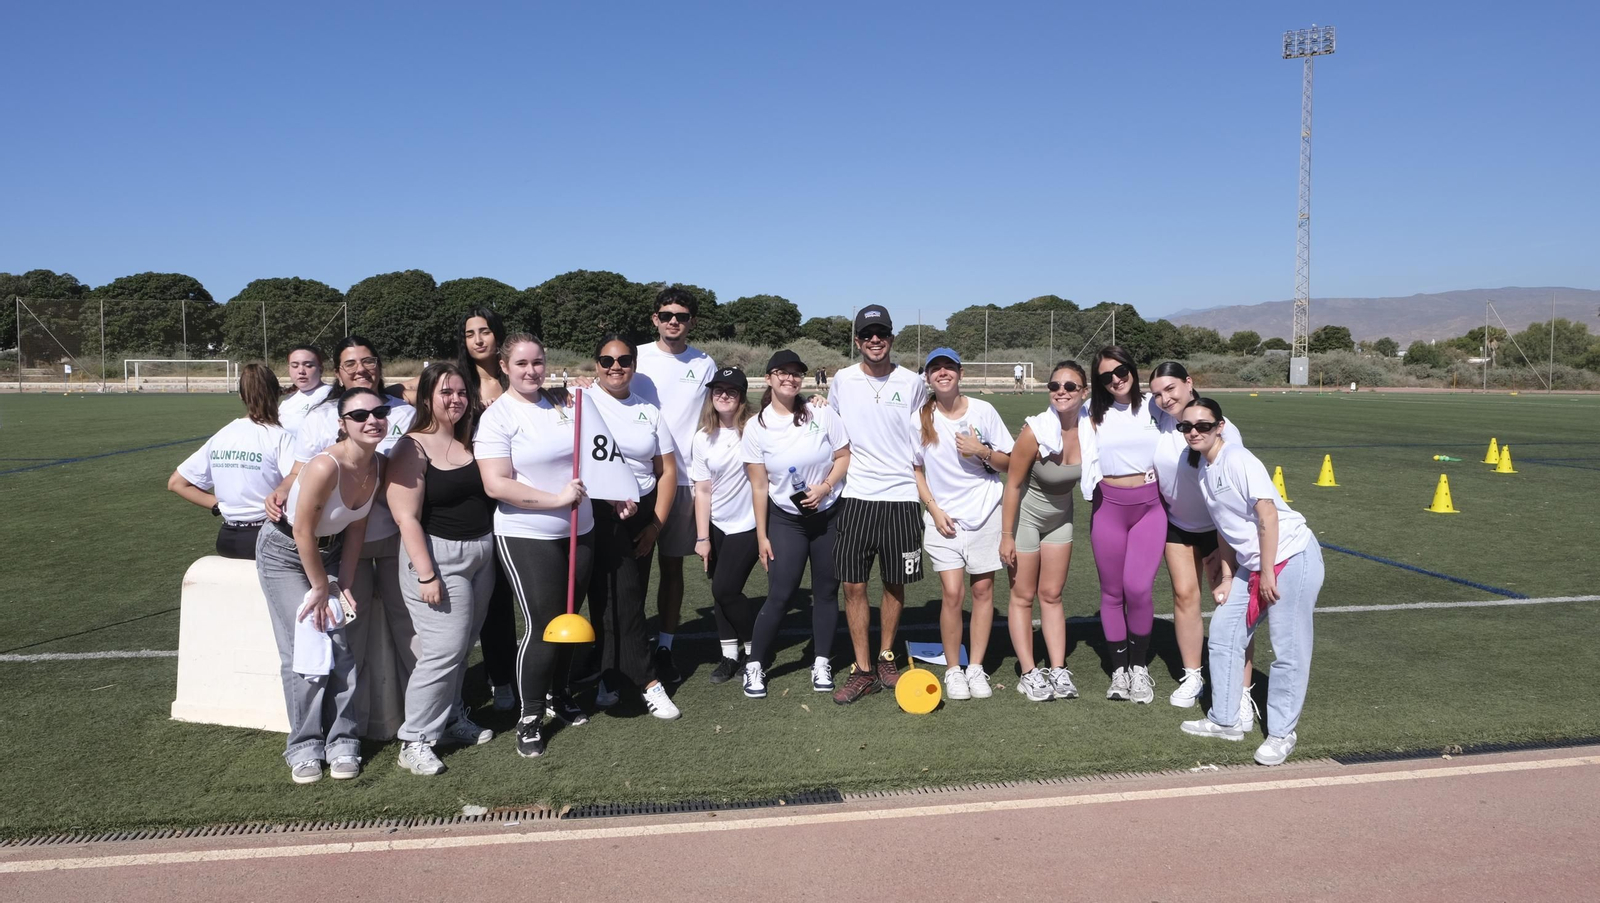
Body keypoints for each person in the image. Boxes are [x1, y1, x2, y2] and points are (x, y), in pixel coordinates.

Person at [268, 337, 419, 730]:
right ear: (338, 371)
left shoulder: (405, 412)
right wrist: (282, 490)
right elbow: (301, 470)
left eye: (368, 361)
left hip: (396, 537)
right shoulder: (321, 417)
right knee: (349, 636)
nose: (360, 369)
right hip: (343, 544)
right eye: (350, 364)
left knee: (412, 631)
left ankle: (428, 719)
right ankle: (353, 728)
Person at [1177, 397, 1323, 766]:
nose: (1193, 432)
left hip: (1291, 556)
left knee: (1288, 649)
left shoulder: (1238, 459)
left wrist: (1269, 572)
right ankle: (1225, 720)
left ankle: (1282, 733)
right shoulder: (1204, 469)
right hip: (1253, 565)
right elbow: (1225, 528)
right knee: (1224, 633)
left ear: (1220, 427)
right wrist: (1228, 576)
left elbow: (1267, 515)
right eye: (1186, 426)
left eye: (1203, 425)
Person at [254, 387, 384, 784]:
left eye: (378, 412)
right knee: (306, 645)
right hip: (285, 553)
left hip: (330, 553)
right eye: (359, 416)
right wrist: (321, 589)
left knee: (342, 647)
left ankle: (343, 741)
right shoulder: (326, 465)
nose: (372, 420)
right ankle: (305, 746)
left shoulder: (376, 464)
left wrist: (344, 583)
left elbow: (357, 526)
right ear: (343, 424)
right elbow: (302, 532)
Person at [475, 334, 593, 758]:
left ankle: (560, 694)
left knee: (569, 618)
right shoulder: (498, 417)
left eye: (538, 362)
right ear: (505, 367)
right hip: (527, 533)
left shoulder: (564, 403)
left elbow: (596, 452)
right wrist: (556, 500)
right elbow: (496, 484)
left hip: (580, 529)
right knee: (543, 624)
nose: (531, 371)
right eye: (522, 364)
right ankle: (530, 716)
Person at [386, 363, 498, 776]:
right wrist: (427, 574)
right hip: (439, 558)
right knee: (442, 652)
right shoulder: (411, 447)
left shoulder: (468, 438)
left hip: (481, 554)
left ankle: (450, 718)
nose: (455, 399)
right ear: (427, 398)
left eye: (461, 392)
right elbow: (405, 517)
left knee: (461, 648)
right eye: (446, 392)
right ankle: (414, 740)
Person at [828, 305, 927, 704]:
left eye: (881, 333)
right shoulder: (842, 380)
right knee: (853, 585)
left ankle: (886, 656)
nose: (875, 340)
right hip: (856, 495)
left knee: (893, 582)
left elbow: (924, 437)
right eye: (867, 334)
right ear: (857, 341)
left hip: (902, 497)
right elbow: (832, 430)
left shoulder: (913, 382)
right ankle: (863, 668)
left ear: (891, 338)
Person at [741, 350, 851, 699]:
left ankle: (821, 661)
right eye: (782, 372)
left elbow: (843, 456)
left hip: (829, 515)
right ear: (769, 379)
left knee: (826, 592)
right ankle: (755, 665)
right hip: (786, 521)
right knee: (780, 594)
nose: (790, 378)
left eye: (796, 373)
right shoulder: (755, 427)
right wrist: (762, 536)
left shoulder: (822, 411)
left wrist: (825, 487)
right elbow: (759, 486)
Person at [1148, 362, 1253, 723]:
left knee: (1230, 607)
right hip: (1177, 525)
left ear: (1189, 383)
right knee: (1184, 597)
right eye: (1157, 394)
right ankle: (1193, 676)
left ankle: (1241, 691)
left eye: (1171, 389)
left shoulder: (1221, 429)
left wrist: (1226, 554)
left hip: (1218, 529)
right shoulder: (1160, 419)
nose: (1165, 399)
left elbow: (1234, 488)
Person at [585, 333, 682, 720]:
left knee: (626, 596)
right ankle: (647, 680)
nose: (616, 367)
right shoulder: (580, 402)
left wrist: (655, 525)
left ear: (634, 366)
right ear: (596, 365)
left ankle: (610, 675)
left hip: (641, 514)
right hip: (599, 513)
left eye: (624, 360)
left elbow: (667, 471)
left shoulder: (648, 411)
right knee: (619, 596)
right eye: (607, 361)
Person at [911, 349, 1013, 701]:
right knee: (953, 593)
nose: (943, 373)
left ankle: (976, 668)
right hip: (943, 520)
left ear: (960, 373)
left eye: (949, 368)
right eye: (935, 369)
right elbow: (916, 469)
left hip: (985, 513)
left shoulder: (983, 411)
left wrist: (981, 450)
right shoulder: (919, 418)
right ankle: (954, 670)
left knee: (983, 592)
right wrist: (933, 508)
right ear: (928, 377)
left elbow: (1009, 463)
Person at [631, 286, 716, 683]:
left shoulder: (704, 363)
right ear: (655, 319)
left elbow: (723, 411)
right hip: (637, 479)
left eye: (681, 316)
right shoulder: (634, 357)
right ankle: (623, 648)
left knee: (671, 567)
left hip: (683, 480)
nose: (673, 322)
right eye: (666, 315)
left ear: (691, 321)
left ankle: (665, 646)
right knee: (630, 571)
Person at [998, 361, 1088, 702]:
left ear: (1084, 392)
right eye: (1054, 386)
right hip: (1026, 519)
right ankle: (1029, 672)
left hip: (1061, 519)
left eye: (1070, 386)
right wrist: (1007, 536)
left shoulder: (1093, 429)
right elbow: (1013, 484)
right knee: (1023, 596)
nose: (1061, 392)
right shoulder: (1034, 432)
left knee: (1051, 595)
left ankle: (1058, 668)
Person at [1081, 346, 1164, 704]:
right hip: (1108, 507)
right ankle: (1119, 671)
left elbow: (1195, 419)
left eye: (1121, 371)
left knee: (1139, 589)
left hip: (1150, 507)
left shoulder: (1154, 407)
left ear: (1132, 368)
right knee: (1112, 593)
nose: (1115, 380)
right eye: (1105, 376)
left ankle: (1139, 667)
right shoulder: (1090, 412)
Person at [456, 307, 518, 712]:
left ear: (498, 335)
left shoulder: (517, 377)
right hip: (474, 498)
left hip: (517, 494)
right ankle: (492, 679)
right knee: (482, 596)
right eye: (470, 333)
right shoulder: (457, 383)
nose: (478, 340)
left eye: (485, 331)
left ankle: (516, 676)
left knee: (512, 594)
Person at [168, 362, 296, 560]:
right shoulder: (280, 437)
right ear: (276, 393)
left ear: (241, 396)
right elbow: (302, 485)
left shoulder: (223, 435)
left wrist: (222, 506)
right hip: (268, 538)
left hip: (227, 538)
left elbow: (177, 482)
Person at [690, 367, 759, 684]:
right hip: (716, 524)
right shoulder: (703, 437)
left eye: (732, 390)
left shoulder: (757, 428)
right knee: (719, 593)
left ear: (742, 396)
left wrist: (815, 401)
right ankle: (730, 655)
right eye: (718, 390)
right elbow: (703, 490)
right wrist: (702, 537)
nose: (724, 395)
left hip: (749, 523)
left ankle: (755, 649)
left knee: (725, 589)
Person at [279, 346, 331, 434]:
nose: (301, 371)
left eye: (308, 366)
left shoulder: (330, 397)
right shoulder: (288, 400)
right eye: (295, 366)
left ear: (320, 369)